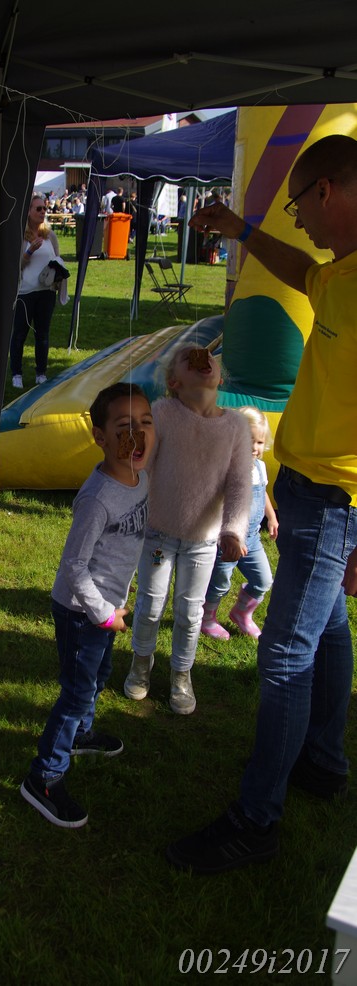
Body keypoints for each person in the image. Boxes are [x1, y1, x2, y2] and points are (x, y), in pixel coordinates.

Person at [166, 133, 357, 874]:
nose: (297, 218)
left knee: (282, 653)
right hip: (310, 490)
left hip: (337, 499)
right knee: (327, 630)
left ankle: (255, 821)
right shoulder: (338, 271)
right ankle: (322, 761)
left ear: (328, 191)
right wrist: (243, 232)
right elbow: (302, 271)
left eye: (298, 204)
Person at [21, 383, 155, 827]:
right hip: (82, 612)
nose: (137, 435)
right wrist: (102, 613)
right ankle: (44, 776)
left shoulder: (141, 478)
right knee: (77, 691)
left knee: (98, 675)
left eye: (145, 423)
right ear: (99, 437)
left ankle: (80, 735)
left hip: (108, 606)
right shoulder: (97, 498)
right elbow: (74, 565)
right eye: (123, 427)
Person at [123, 344, 252, 715]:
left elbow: (240, 484)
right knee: (150, 604)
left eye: (208, 357)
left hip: (203, 542)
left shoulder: (236, 426)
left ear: (220, 378)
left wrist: (233, 531)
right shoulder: (163, 412)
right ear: (174, 382)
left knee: (190, 611)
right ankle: (141, 663)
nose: (200, 357)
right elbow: (143, 464)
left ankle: (182, 673)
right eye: (187, 358)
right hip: (158, 535)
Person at [201, 407, 278, 641]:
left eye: (259, 442)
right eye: (248, 441)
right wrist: (232, 536)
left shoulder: (259, 467)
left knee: (263, 580)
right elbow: (218, 507)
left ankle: (242, 613)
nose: (254, 447)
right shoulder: (226, 471)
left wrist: (271, 517)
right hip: (227, 540)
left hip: (252, 539)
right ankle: (207, 619)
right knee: (220, 582)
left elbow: (263, 493)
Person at [9, 193, 61, 389]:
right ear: (29, 212)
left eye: (44, 208)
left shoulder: (50, 235)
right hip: (25, 293)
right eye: (38, 208)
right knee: (19, 334)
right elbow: (16, 266)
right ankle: (16, 374)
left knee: (43, 334)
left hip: (46, 292)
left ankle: (41, 372)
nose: (42, 212)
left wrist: (58, 276)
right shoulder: (21, 237)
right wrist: (29, 251)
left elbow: (57, 259)